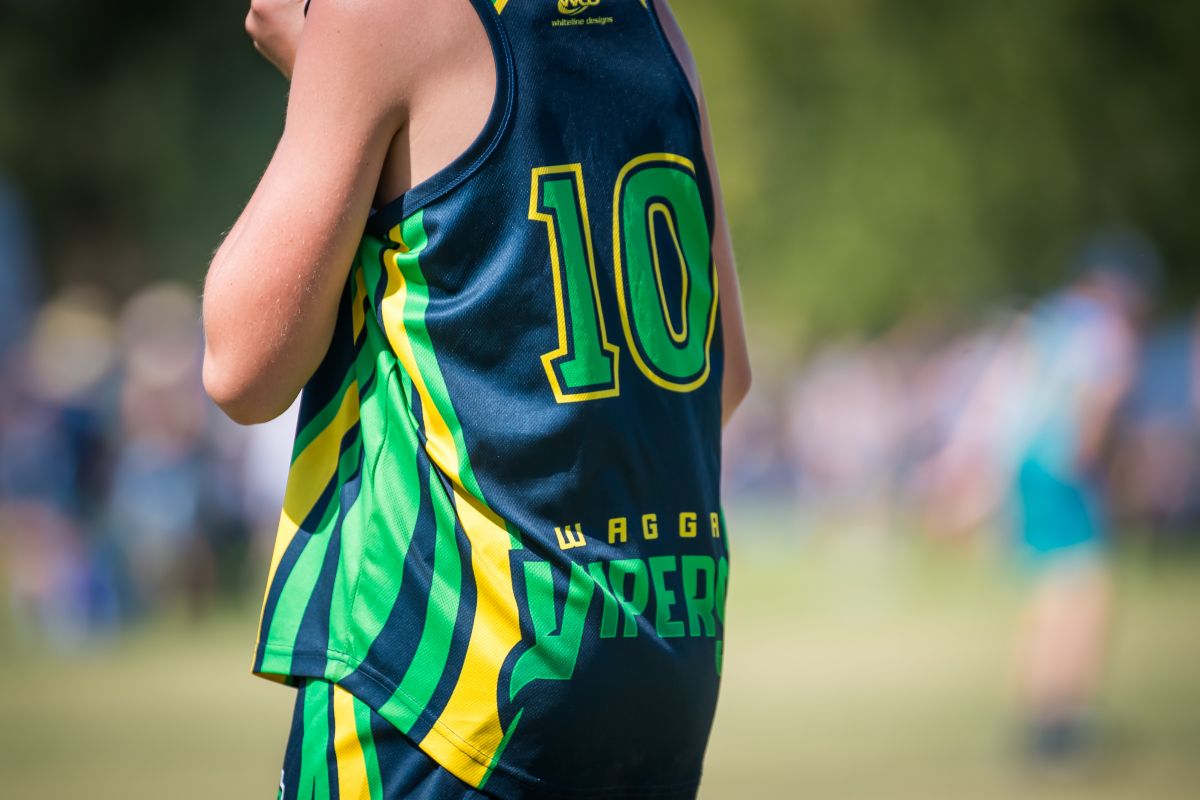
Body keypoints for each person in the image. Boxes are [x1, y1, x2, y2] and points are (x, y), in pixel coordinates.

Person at [202, 1, 751, 798]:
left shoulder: (377, 14)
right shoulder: (650, 19)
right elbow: (723, 377)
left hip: (457, 689)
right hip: (662, 661)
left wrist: (326, 82)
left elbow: (240, 368)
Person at [924, 230, 1157, 765]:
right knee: (1086, 588)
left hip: (1025, 460)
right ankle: (1064, 718)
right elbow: (1098, 398)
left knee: (1050, 589)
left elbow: (1003, 400)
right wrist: (1091, 462)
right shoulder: (1104, 327)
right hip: (1061, 461)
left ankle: (1039, 718)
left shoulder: (1048, 320)